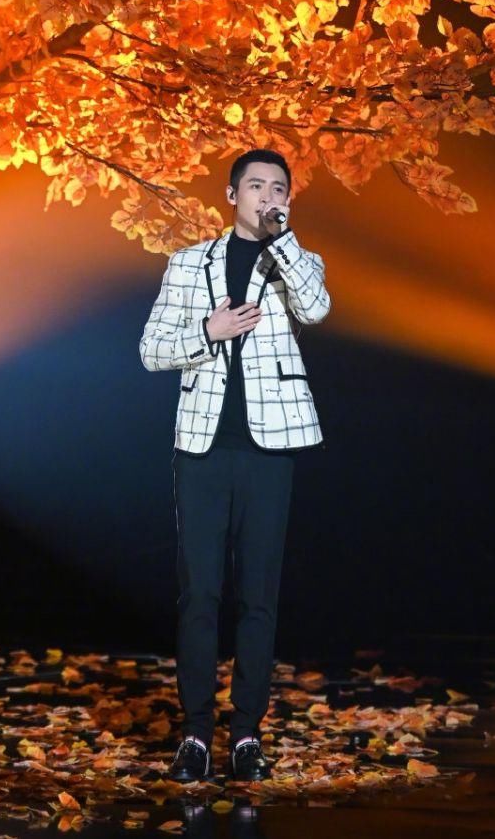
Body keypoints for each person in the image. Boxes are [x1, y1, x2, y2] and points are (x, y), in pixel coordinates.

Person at [140, 148, 330, 784]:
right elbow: (150, 351)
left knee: (259, 597)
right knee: (199, 593)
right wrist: (208, 329)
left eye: (279, 188)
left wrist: (287, 242)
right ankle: (195, 733)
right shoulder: (188, 264)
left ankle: (247, 733)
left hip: (270, 447)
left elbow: (317, 308)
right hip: (201, 447)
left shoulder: (298, 263)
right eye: (256, 186)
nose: (268, 196)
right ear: (231, 195)